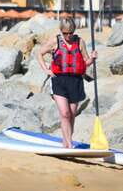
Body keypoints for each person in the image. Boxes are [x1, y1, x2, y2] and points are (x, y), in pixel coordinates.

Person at [36, 17, 97, 148]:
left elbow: (85, 62)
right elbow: (39, 53)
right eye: (65, 33)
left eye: (70, 33)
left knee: (72, 114)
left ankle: (66, 140)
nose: (68, 36)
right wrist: (46, 69)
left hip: (75, 81)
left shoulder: (80, 42)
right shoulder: (55, 41)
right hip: (59, 80)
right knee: (65, 113)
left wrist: (92, 58)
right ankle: (68, 145)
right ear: (61, 31)